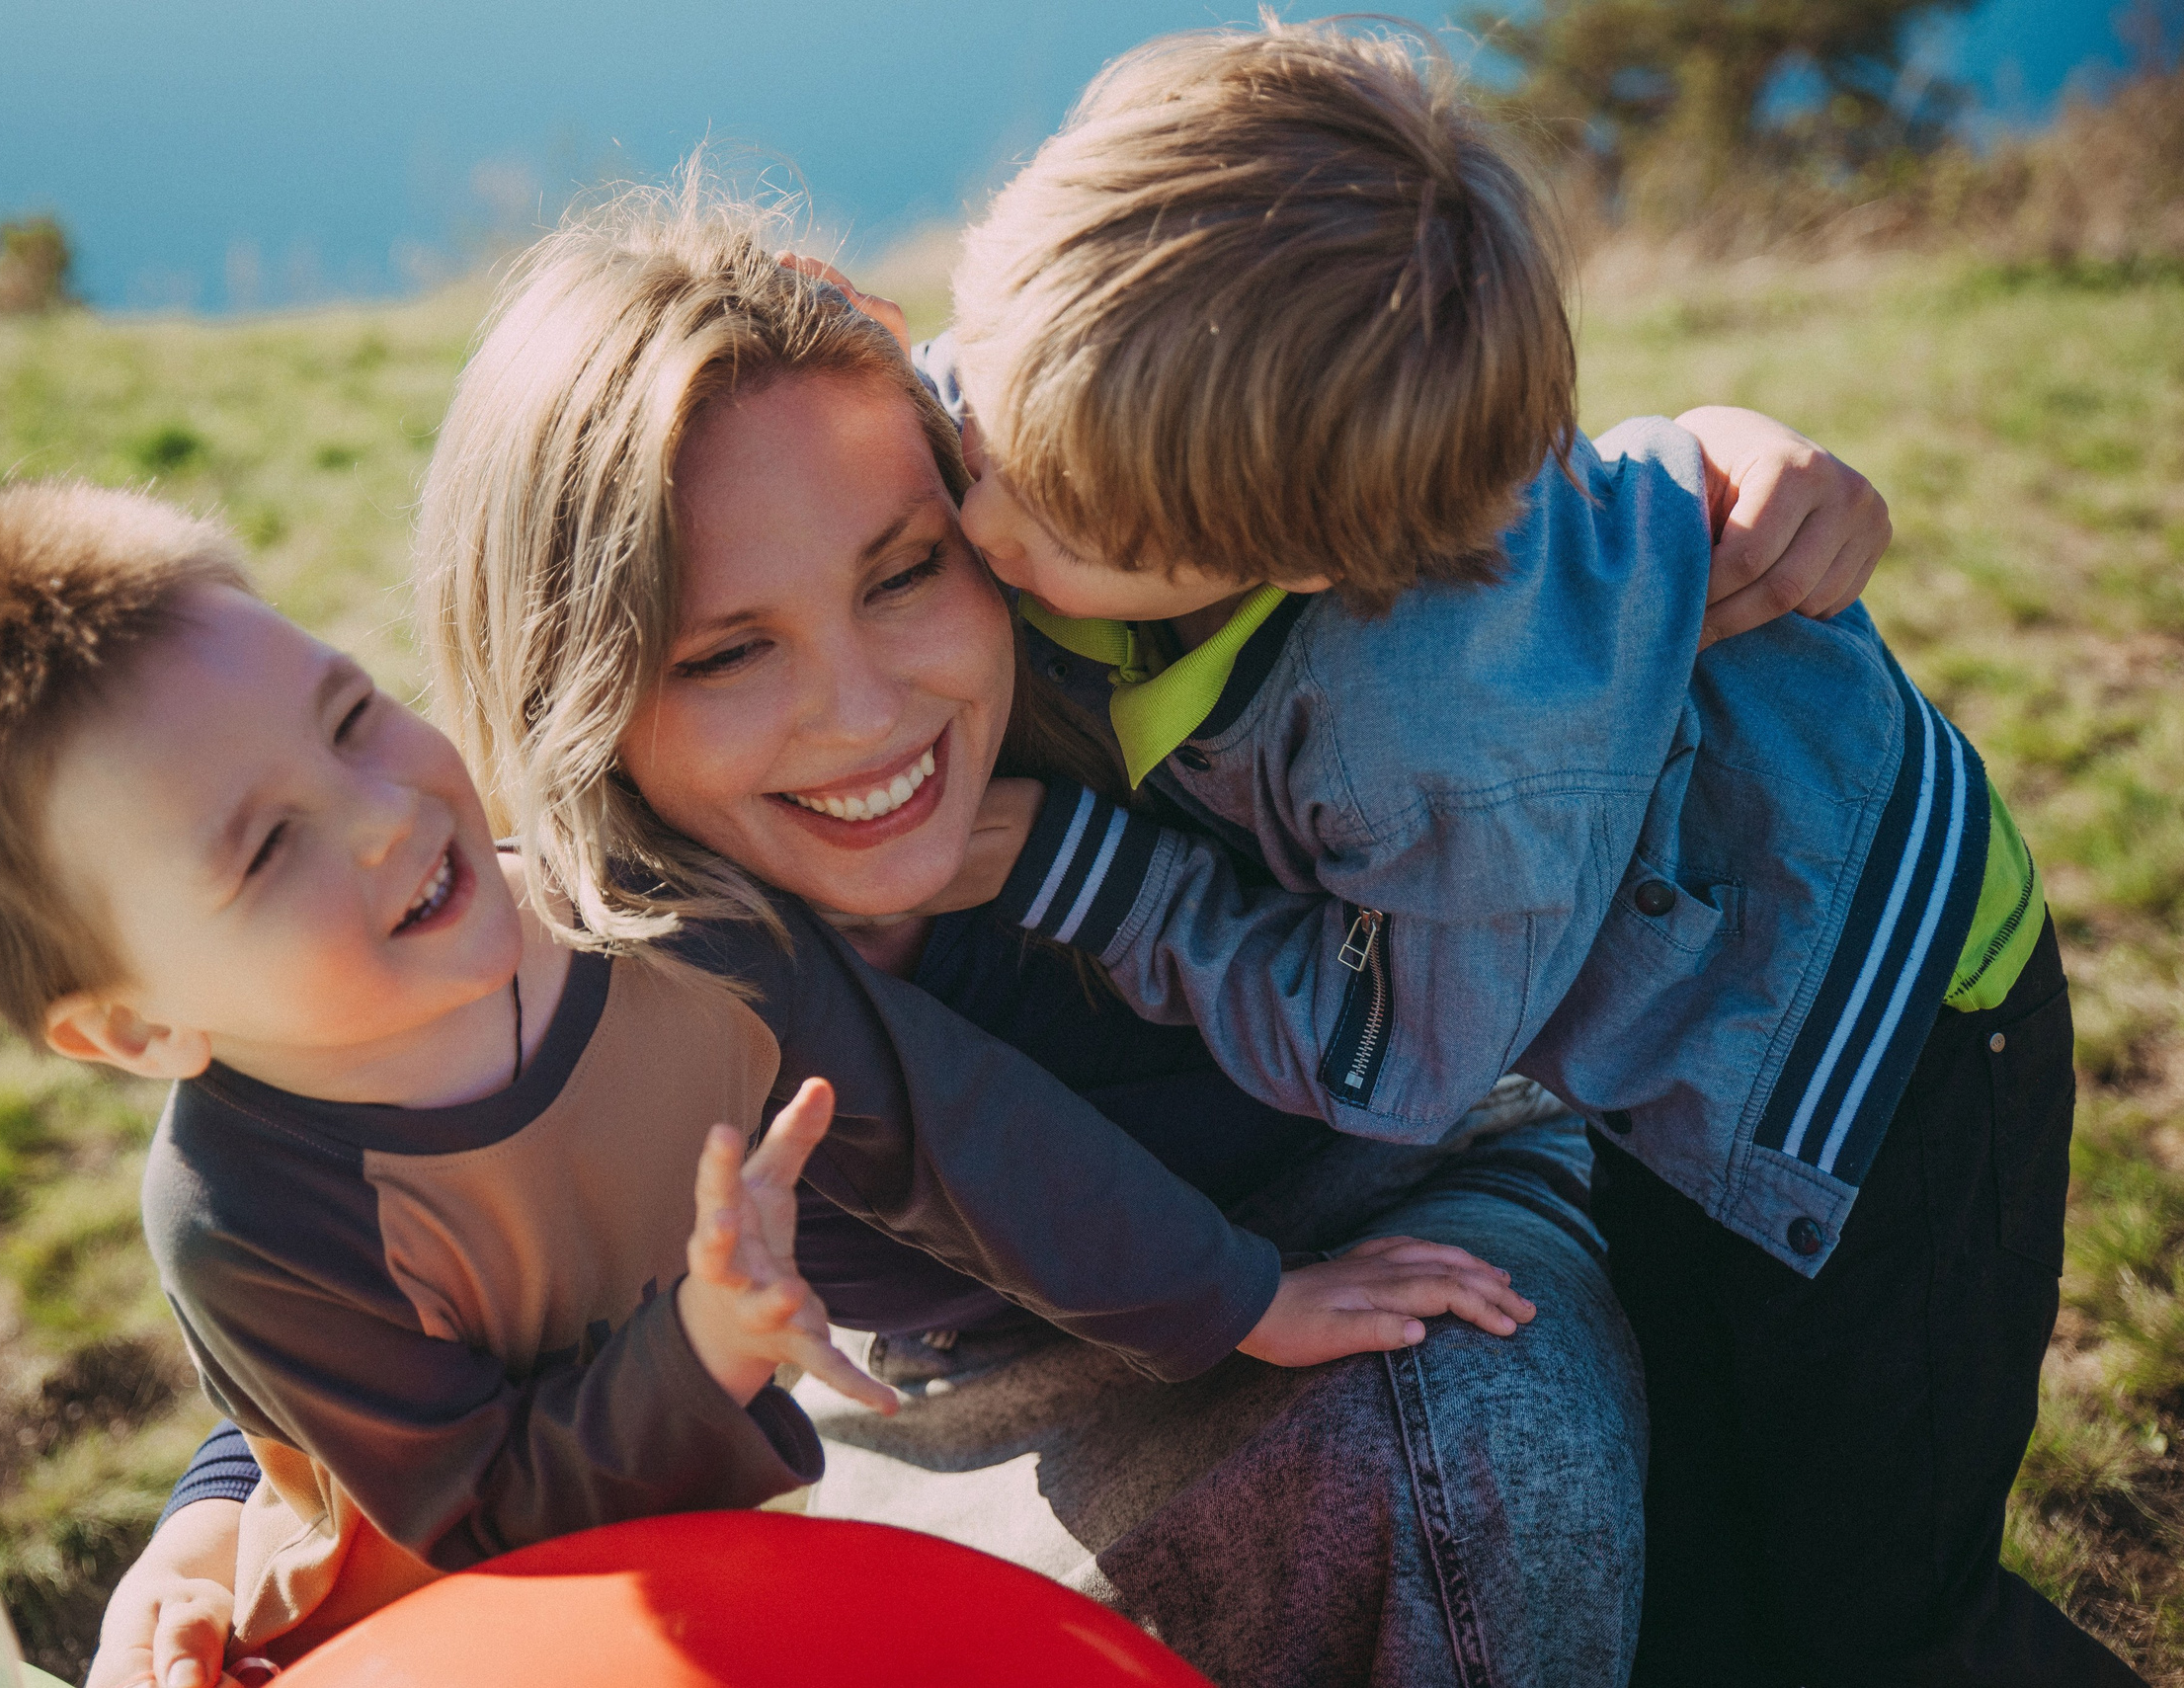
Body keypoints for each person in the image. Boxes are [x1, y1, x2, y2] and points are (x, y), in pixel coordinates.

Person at [93, 183, 1896, 1688]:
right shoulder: (595, 938)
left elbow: (1422, 485)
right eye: (726, 652)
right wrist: (215, 1501)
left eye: (903, 571)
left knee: (1470, 1463)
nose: (866, 713)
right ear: (576, 694)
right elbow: (367, 1266)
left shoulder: (1152, 683)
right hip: (921, 1406)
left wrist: (1695, 473)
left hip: (1385, 1225)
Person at [0, 483, 1529, 1671]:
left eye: (350, 713)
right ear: (137, 1027)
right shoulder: (244, 1213)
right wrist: (697, 1352)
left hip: (718, 1543)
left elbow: (952, 1130)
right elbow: (459, 1509)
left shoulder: (672, 933)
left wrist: (1243, 1300)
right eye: (261, 848)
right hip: (434, 1618)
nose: (389, 811)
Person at [933, 20, 2126, 1687]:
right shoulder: (1132, 393)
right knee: (1689, 1538)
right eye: (988, 420)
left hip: (1861, 1034)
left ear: (1292, 552)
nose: (981, 524)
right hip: (1644, 976)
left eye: (1071, 532)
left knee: (1863, 1605)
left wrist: (1074, 869)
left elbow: (1396, 1051)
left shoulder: (1425, 747)